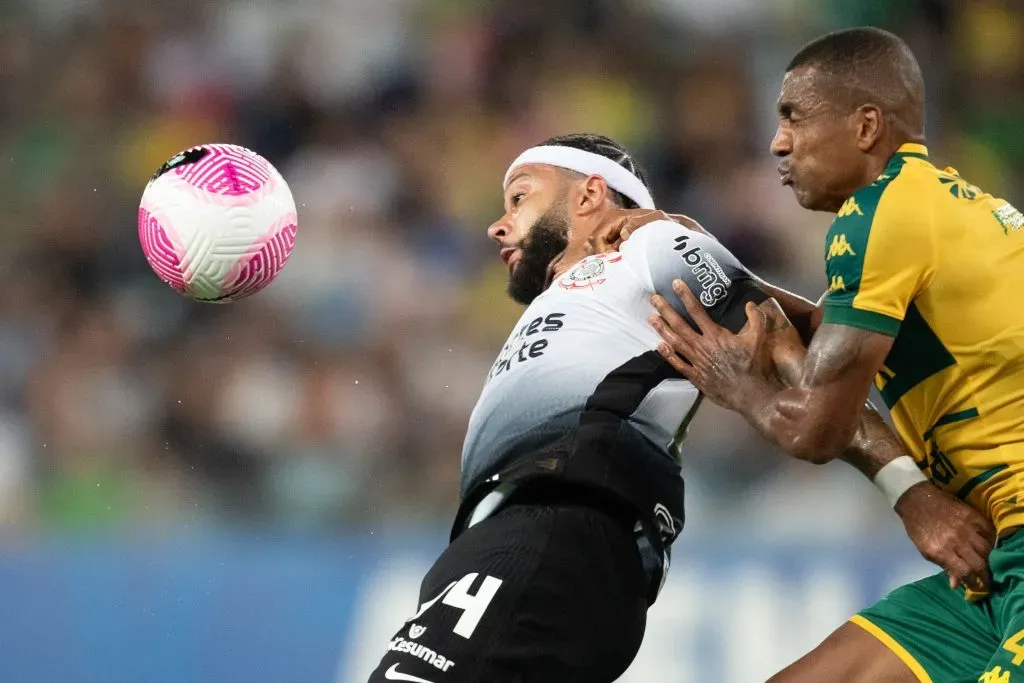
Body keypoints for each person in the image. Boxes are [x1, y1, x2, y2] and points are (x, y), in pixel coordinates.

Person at [367, 132, 987, 683]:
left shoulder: (648, 245)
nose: (497, 226)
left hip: (552, 531)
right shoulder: (592, 284)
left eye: (519, 197)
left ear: (590, 195)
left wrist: (913, 495)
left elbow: (813, 374)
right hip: (529, 545)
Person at [632, 26, 1024, 683]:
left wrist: (738, 385)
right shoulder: (945, 205)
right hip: (995, 564)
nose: (777, 142)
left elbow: (817, 428)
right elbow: (822, 331)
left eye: (793, 117)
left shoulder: (879, 215)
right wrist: (699, 252)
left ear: (865, 127)